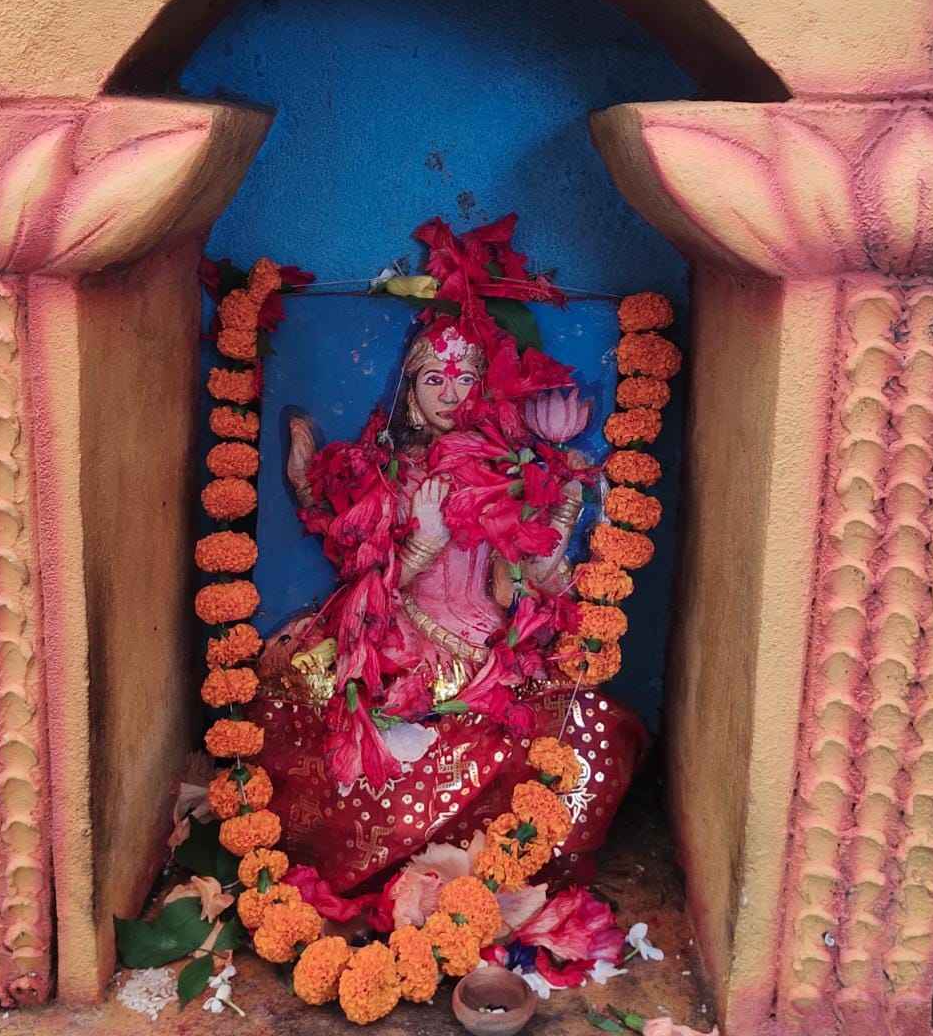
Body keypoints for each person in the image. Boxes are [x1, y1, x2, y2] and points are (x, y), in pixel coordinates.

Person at [245, 217, 647, 891]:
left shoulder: (508, 469)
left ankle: (495, 862)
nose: (450, 394)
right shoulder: (392, 471)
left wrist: (565, 509)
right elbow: (368, 580)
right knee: (314, 708)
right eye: (434, 379)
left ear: (483, 387)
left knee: (587, 729)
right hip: (400, 636)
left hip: (483, 641)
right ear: (410, 390)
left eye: (464, 379)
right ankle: (420, 859)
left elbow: (520, 582)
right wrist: (424, 541)